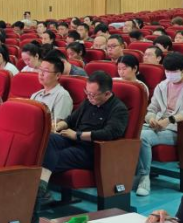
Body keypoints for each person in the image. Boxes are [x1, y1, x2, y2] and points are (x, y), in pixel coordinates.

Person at [35, 72, 130, 214]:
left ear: (107, 94)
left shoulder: (119, 109)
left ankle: (38, 195)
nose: (89, 97)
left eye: (93, 95)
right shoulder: (88, 102)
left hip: (92, 150)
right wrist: (60, 125)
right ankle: (41, 189)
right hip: (74, 140)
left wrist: (78, 135)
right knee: (45, 141)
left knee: (52, 156)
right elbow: (71, 119)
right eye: (87, 93)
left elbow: (109, 133)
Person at [134, 53, 183, 197]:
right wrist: (151, 118)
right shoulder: (162, 86)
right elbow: (151, 109)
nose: (170, 74)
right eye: (167, 71)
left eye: (174, 71)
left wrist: (170, 120)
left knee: (143, 137)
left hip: (178, 130)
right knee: (129, 133)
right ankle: (130, 174)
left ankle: (144, 178)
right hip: (158, 126)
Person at [31, 54, 74, 126]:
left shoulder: (62, 96)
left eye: (45, 71)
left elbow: (57, 125)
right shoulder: (35, 95)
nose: (41, 73)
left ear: (57, 75)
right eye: (40, 69)